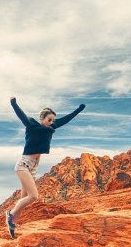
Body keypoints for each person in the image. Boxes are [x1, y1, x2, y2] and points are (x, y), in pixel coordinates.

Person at [7, 96, 85, 238]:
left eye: (53, 120)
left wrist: (78, 110)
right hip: (23, 164)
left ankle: (13, 225)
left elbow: (66, 119)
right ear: (42, 118)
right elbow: (21, 116)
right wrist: (14, 103)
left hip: (34, 166)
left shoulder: (52, 127)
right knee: (33, 196)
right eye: (49, 120)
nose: (51, 123)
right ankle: (10, 215)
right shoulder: (32, 125)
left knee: (24, 197)